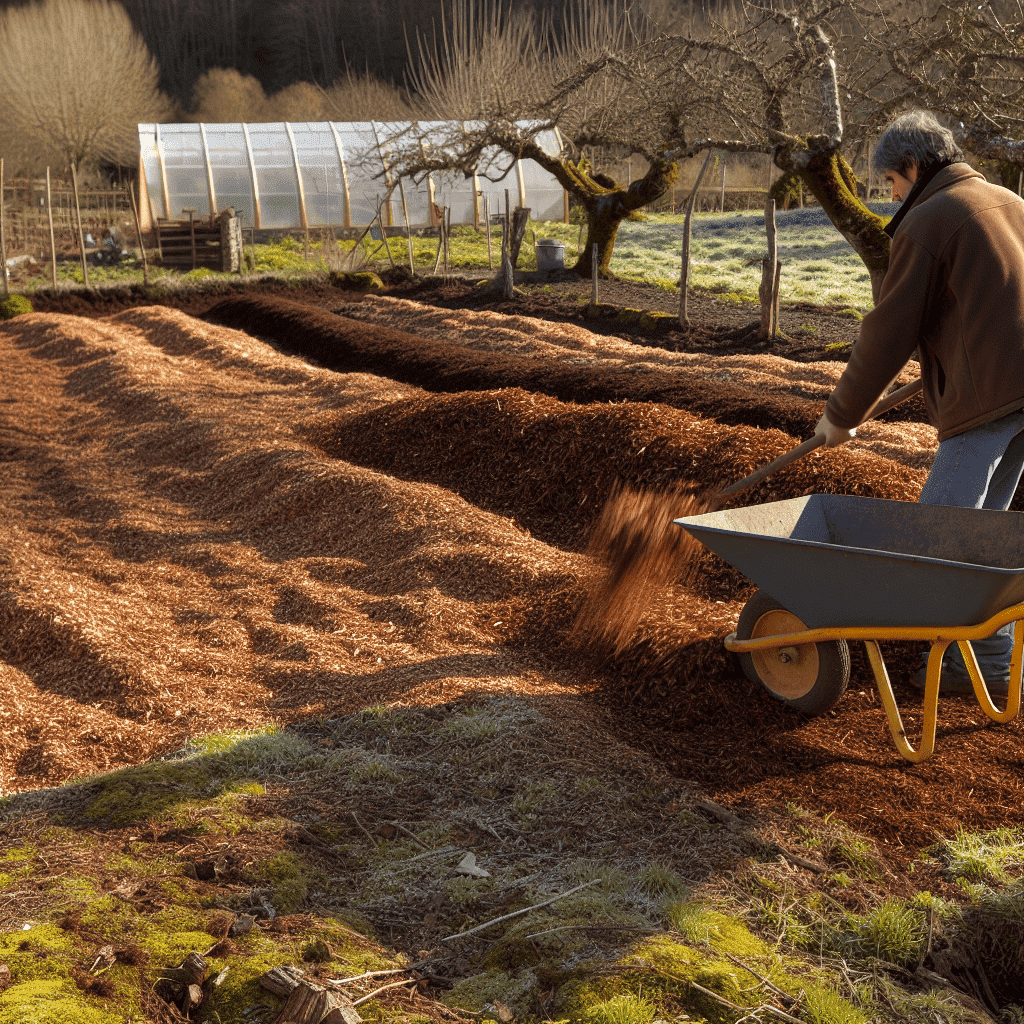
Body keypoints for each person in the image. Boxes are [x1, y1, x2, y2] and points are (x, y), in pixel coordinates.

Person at [814, 109, 1024, 695]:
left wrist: (840, 416)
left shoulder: (929, 220)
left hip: (987, 398)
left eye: (890, 183)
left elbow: (888, 333)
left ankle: (922, 655)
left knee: (933, 541)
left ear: (912, 164)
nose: (891, 195)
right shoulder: (1008, 200)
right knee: (981, 535)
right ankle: (988, 668)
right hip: (1016, 393)